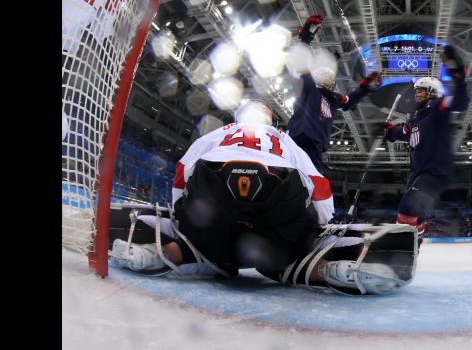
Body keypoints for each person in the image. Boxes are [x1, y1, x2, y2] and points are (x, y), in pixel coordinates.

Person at [108, 100, 417, 295]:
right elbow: (319, 187)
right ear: (271, 122)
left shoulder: (219, 133)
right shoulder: (284, 140)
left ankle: (154, 253)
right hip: (278, 197)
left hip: (214, 194)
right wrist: (316, 228)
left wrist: (183, 217)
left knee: (202, 249)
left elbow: (182, 170)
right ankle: (327, 268)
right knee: (287, 261)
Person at [384, 45, 469, 243]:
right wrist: (389, 131)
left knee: (407, 207)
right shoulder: (415, 120)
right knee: (417, 214)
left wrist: (458, 77)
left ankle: (403, 245)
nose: (417, 95)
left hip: (434, 172)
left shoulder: (439, 107)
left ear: (432, 92)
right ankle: (417, 240)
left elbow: (460, 102)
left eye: (421, 91)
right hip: (418, 174)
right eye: (417, 91)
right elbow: (404, 133)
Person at [286, 14, 382, 174]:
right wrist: (306, 38)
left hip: (317, 145)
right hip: (299, 138)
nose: (329, 79)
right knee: (299, 177)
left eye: (331, 77)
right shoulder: (309, 87)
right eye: (325, 75)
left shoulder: (335, 98)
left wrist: (365, 87)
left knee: (315, 184)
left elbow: (349, 102)